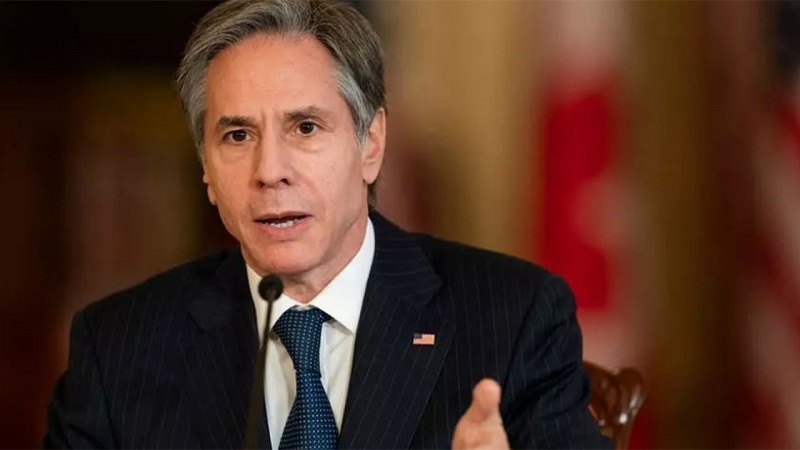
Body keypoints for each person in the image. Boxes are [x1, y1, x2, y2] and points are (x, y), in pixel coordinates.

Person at [44, 0, 611, 448]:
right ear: (206, 171)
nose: (270, 171)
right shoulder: (117, 347)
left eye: (306, 128)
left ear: (371, 143)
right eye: (237, 135)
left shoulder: (513, 318)